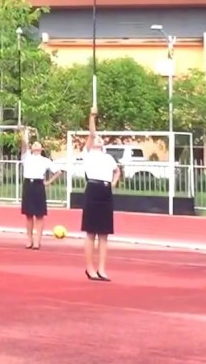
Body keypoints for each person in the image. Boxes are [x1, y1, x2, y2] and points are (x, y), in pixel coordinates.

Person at [81, 106, 119, 281]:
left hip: (105, 191)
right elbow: (91, 132)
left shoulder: (108, 157)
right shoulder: (87, 153)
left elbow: (117, 171)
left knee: (104, 233)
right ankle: (90, 268)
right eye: (96, 138)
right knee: (91, 232)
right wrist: (92, 116)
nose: (98, 139)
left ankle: (102, 269)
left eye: (100, 138)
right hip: (93, 189)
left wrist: (113, 183)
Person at [19, 126, 62, 249]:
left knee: (39, 215)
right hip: (28, 184)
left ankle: (38, 240)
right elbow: (23, 143)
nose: (36, 146)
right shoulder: (26, 157)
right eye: (34, 144)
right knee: (28, 215)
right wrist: (24, 132)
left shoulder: (46, 160)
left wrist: (48, 182)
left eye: (39, 144)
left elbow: (58, 172)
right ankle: (29, 238)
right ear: (32, 147)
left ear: (42, 148)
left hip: (39, 185)